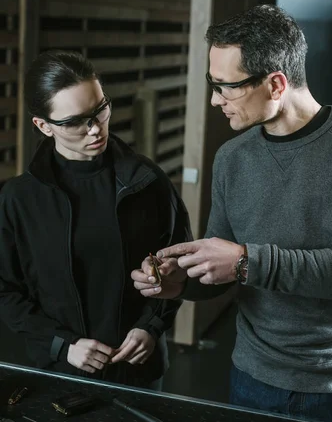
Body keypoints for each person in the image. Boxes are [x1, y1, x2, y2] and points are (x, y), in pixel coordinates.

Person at [132, 4, 332, 422]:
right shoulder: (231, 158)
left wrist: (245, 260)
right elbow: (220, 271)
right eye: (212, 83)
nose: (216, 99)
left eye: (227, 87)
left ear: (276, 83)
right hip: (252, 377)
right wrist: (180, 281)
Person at [0, 50, 191, 390]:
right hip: (59, 374)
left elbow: (179, 267)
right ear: (43, 126)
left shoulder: (148, 182)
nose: (95, 130)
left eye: (100, 110)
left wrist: (151, 327)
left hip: (139, 372)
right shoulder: (18, 200)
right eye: (75, 121)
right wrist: (63, 345)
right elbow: (6, 292)